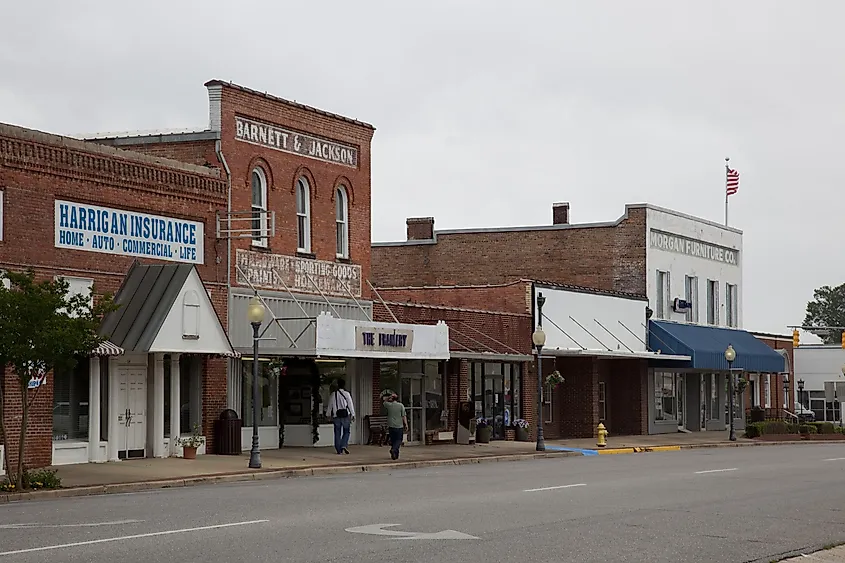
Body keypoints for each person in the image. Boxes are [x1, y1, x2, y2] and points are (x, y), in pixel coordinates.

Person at [326, 379, 355, 455]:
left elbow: (330, 406)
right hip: (345, 415)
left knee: (337, 432)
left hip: (336, 416)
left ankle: (339, 450)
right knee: (346, 431)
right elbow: (350, 405)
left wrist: (328, 415)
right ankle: (343, 444)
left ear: (337, 385)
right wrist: (353, 414)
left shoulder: (333, 394)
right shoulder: (347, 394)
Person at [382, 389, 408, 460]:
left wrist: (388, 397)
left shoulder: (389, 405)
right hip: (399, 426)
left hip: (391, 426)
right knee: (399, 440)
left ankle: (395, 455)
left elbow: (384, 401)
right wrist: (406, 424)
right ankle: (394, 450)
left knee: (393, 440)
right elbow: (403, 416)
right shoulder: (401, 406)